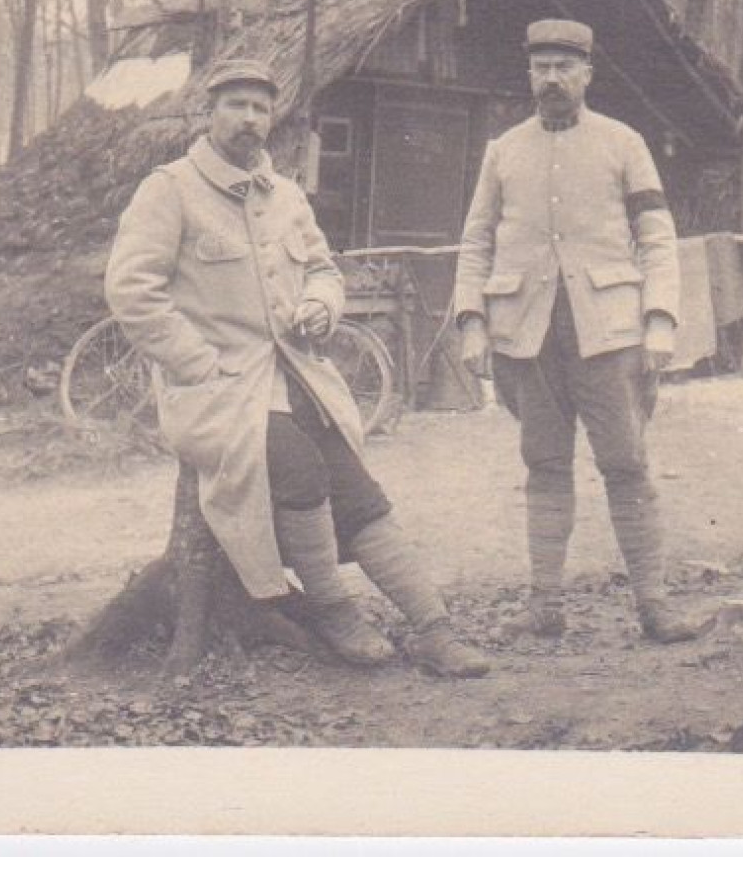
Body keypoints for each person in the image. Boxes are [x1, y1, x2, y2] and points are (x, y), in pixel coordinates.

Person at [105, 58, 490, 678]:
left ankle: (434, 629)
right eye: (236, 104)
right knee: (301, 471)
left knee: (359, 490)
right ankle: (333, 614)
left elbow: (324, 270)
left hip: (295, 377)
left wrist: (319, 305)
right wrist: (197, 362)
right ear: (210, 113)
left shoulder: (284, 196)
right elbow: (131, 291)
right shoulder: (170, 189)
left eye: (261, 108)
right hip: (216, 391)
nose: (249, 119)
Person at [453, 20, 711, 644]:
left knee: (626, 464)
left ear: (588, 74)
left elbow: (656, 239)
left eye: (564, 67)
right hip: (527, 336)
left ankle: (654, 605)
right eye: (540, 66)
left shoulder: (625, 143)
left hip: (610, 335)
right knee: (544, 465)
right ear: (529, 73)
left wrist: (659, 320)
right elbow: (476, 241)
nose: (551, 79)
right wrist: (470, 321)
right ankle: (545, 608)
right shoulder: (503, 150)